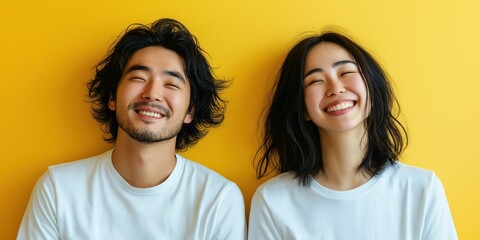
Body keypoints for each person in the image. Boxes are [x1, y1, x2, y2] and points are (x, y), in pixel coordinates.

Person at [18, 18, 246, 239]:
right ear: (112, 97)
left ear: (190, 111)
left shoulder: (218, 199)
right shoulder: (58, 190)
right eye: (138, 77)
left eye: (171, 84)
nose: (152, 93)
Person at [248, 31, 457, 239]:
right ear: (302, 108)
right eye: (315, 81)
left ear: (372, 90)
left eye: (346, 73)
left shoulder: (423, 189)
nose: (335, 88)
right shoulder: (272, 202)